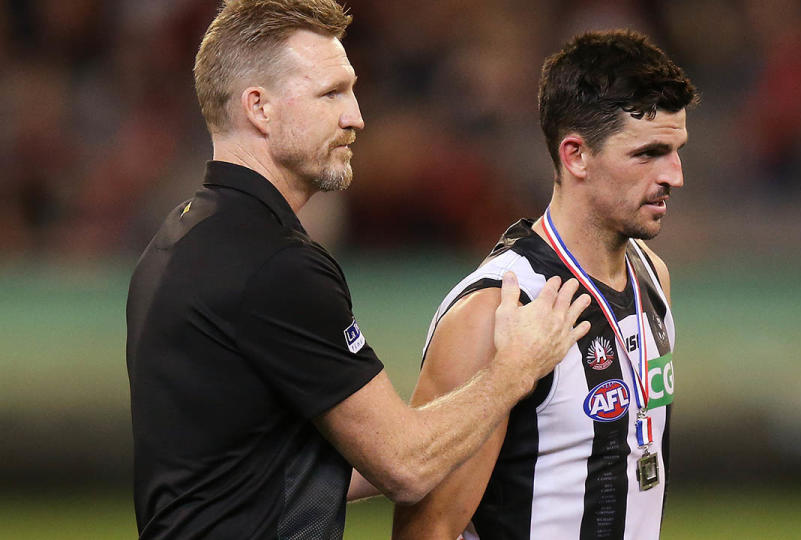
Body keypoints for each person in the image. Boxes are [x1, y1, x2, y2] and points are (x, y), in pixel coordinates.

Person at [124, 1, 591, 538]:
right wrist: (514, 372)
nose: (356, 116)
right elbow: (405, 468)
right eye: (331, 93)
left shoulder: (175, 242)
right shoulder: (277, 266)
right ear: (259, 108)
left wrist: (460, 417)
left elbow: (259, 472)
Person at [392, 30, 699, 539]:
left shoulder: (653, 276)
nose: (675, 175)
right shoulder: (493, 310)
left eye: (677, 150)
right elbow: (428, 530)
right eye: (650, 153)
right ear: (576, 156)